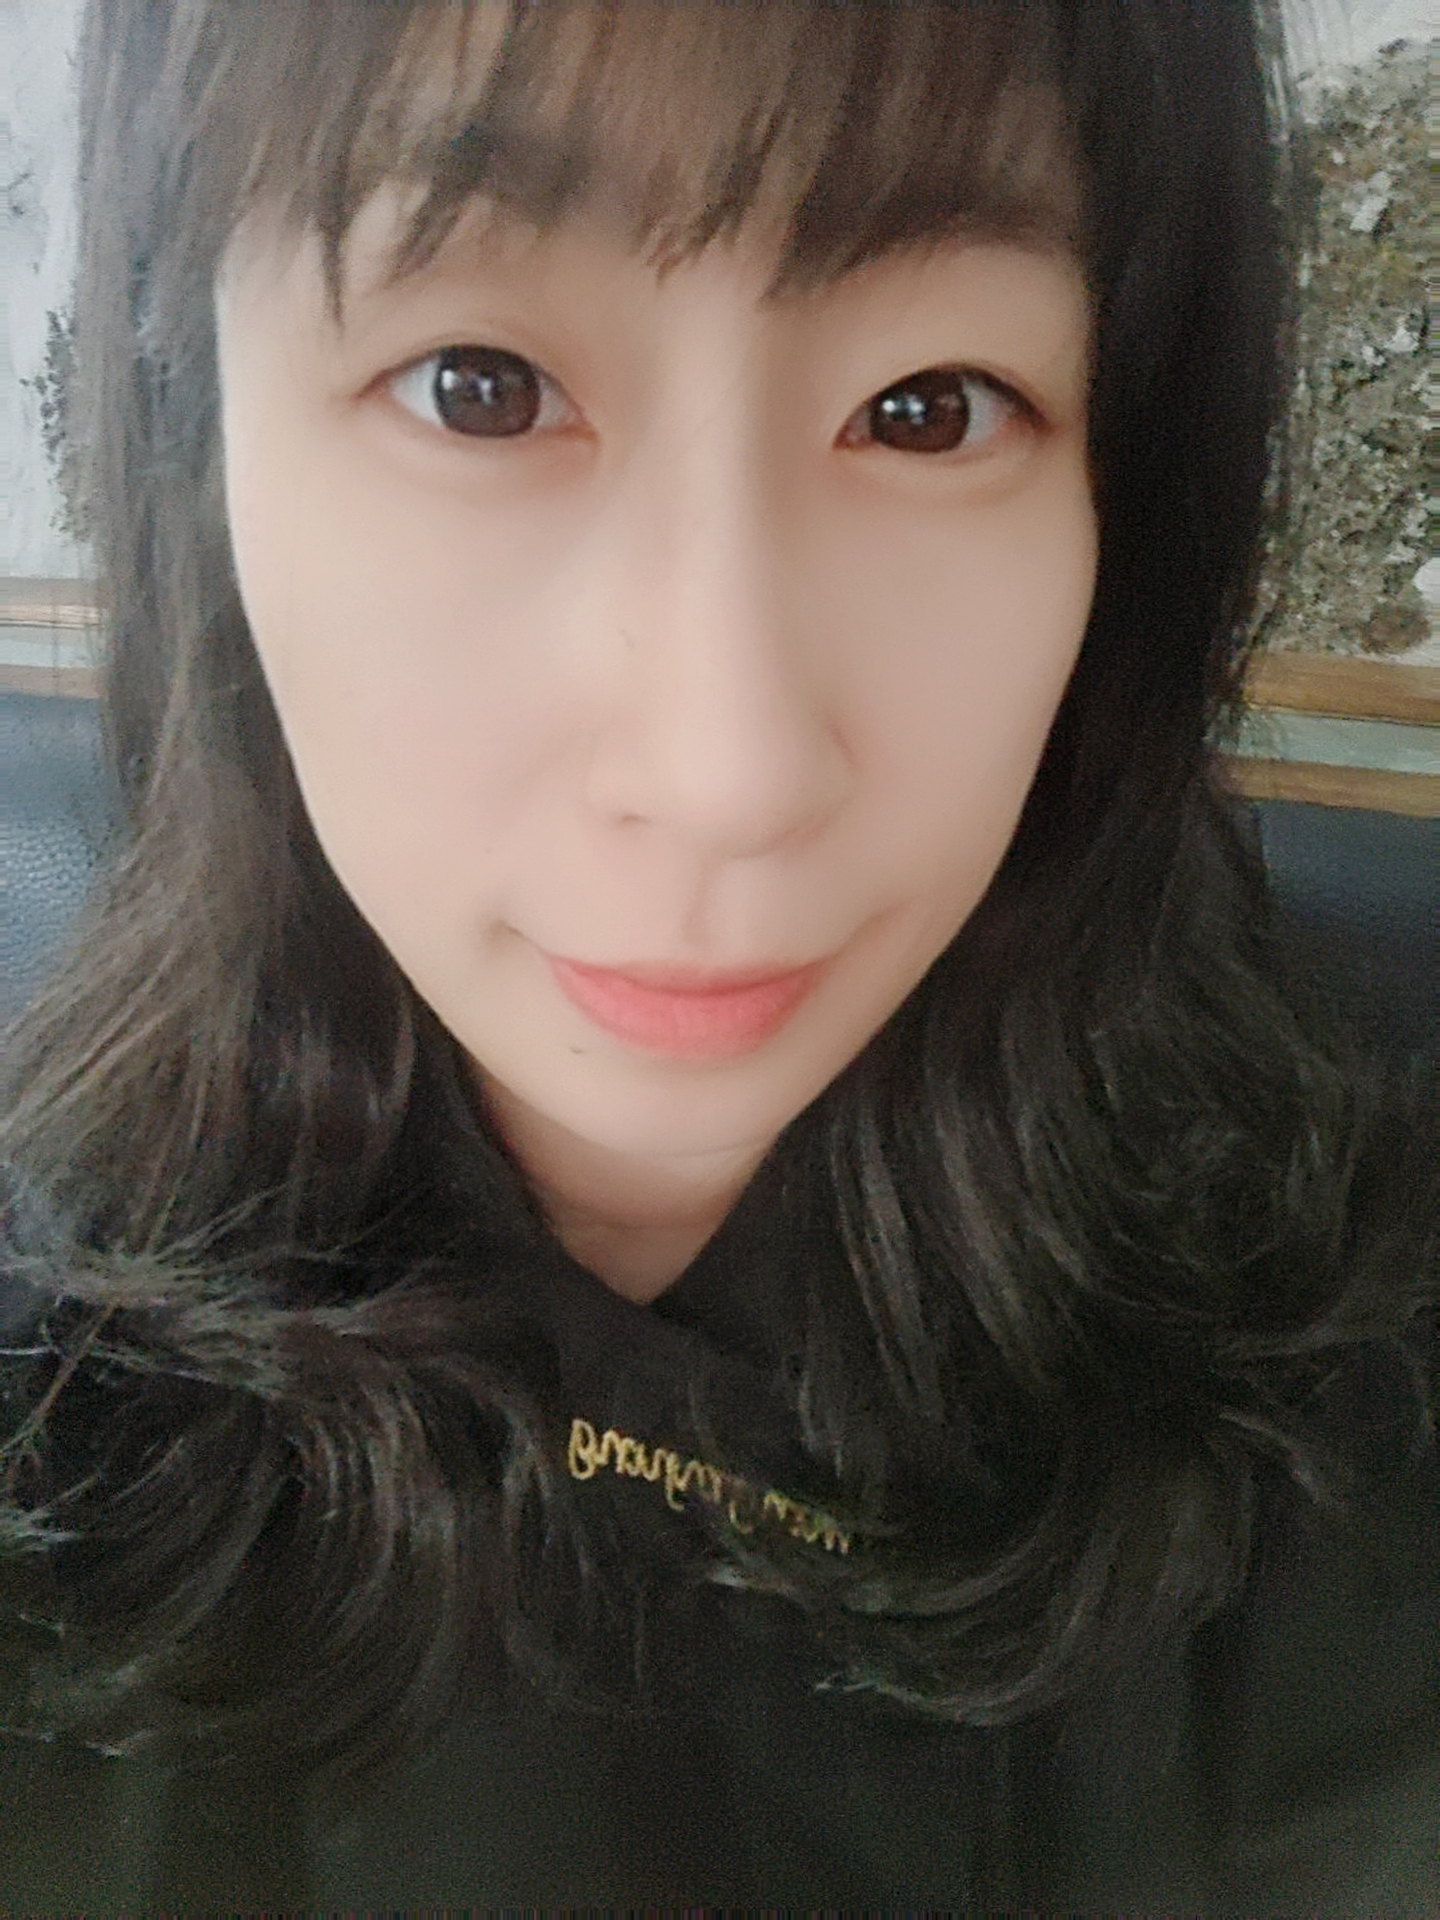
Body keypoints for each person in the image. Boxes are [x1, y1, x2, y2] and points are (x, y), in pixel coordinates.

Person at [1, 0, 1434, 1907]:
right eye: (479, 389)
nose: (732, 771)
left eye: (928, 407)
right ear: (205, 456)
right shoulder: (49, 1408)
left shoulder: (1362, 1392)